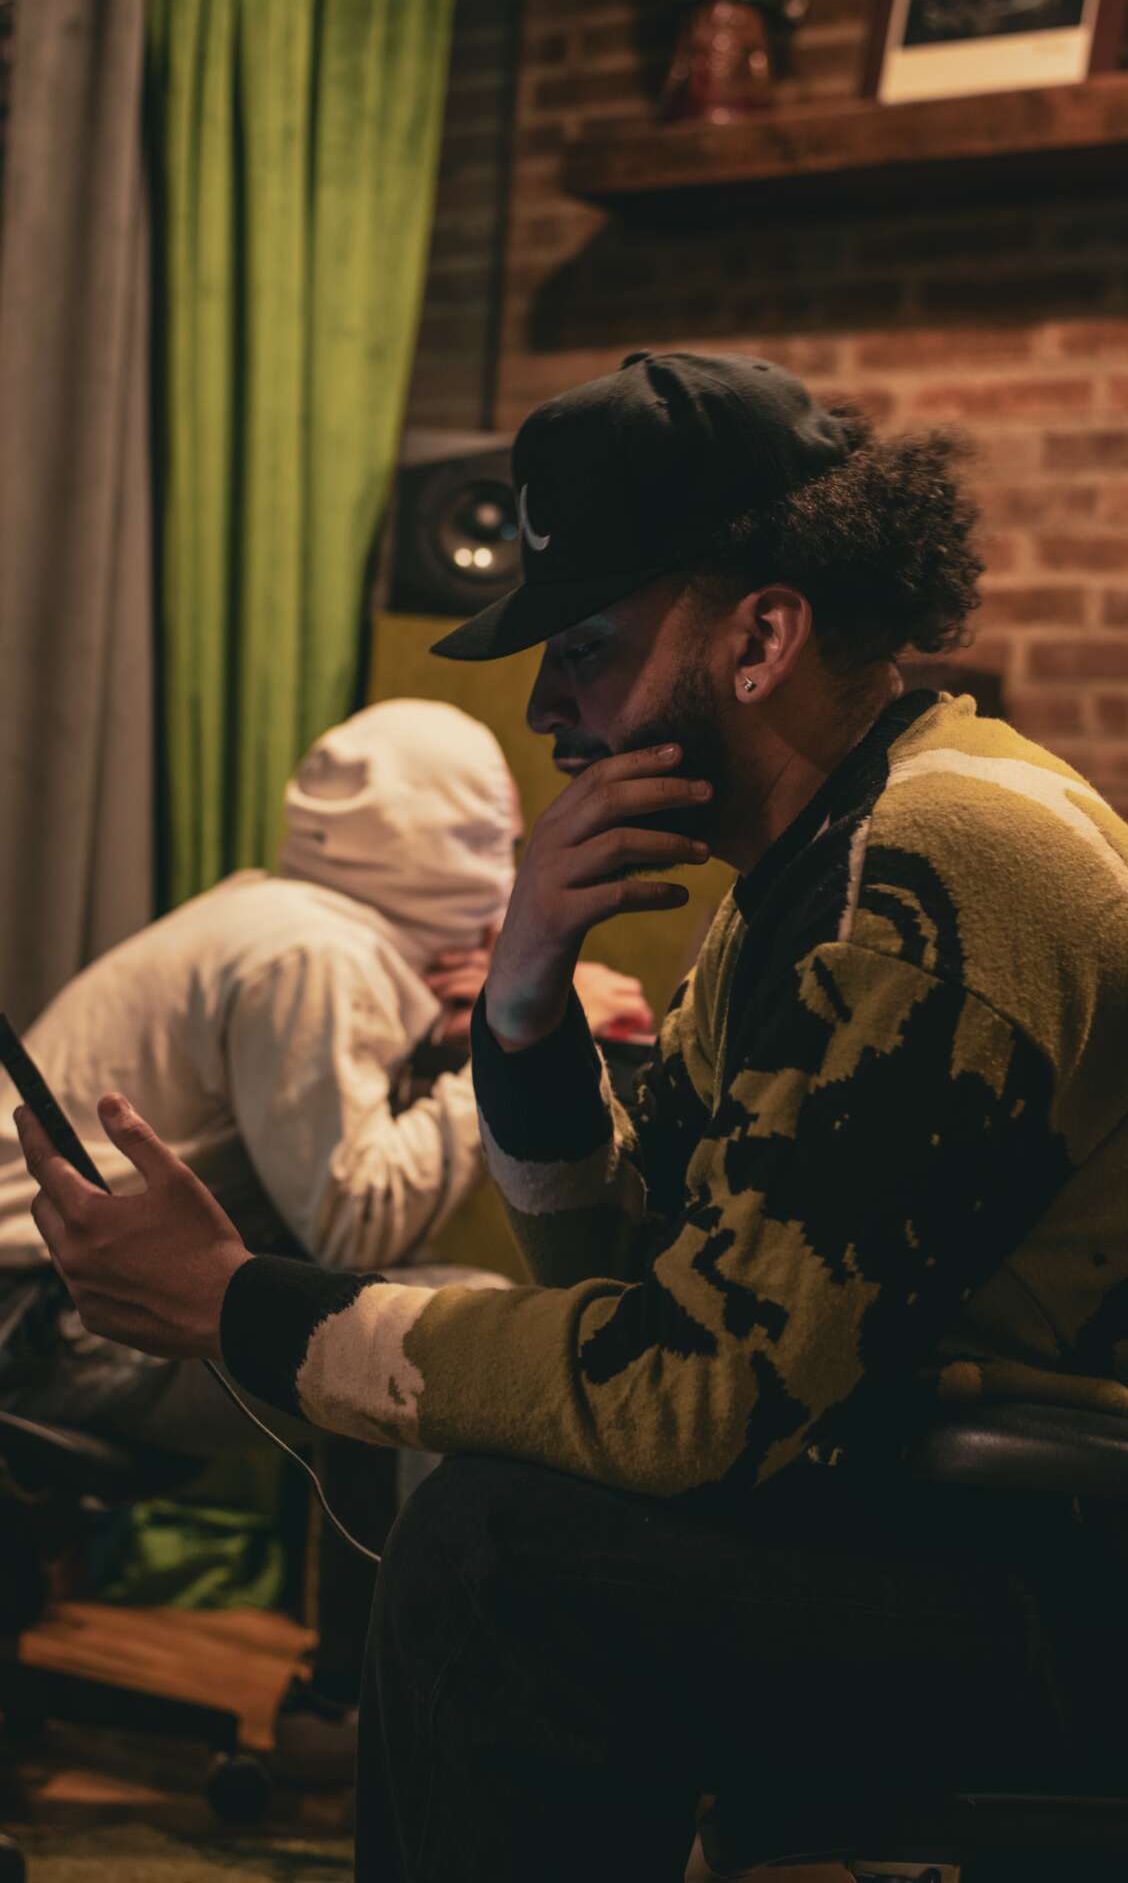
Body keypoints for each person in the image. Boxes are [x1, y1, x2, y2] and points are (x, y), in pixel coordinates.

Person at [18, 349, 1128, 1881]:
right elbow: (619, 1271)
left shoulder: (927, 877)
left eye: (587, 647)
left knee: (500, 1562)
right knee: (505, 1511)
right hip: (1035, 1517)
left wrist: (240, 1305)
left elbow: (689, 1394)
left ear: (760, 637)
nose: (548, 707)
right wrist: (525, 1009)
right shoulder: (804, 877)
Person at [0, 693, 649, 1777]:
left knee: (402, 1327)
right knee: (441, 1333)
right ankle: (395, 1717)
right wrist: (506, 1037)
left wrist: (462, 1024)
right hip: (43, 1324)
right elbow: (353, 1219)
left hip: (54, 1303)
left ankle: (346, 1698)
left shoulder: (282, 917)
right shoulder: (314, 957)